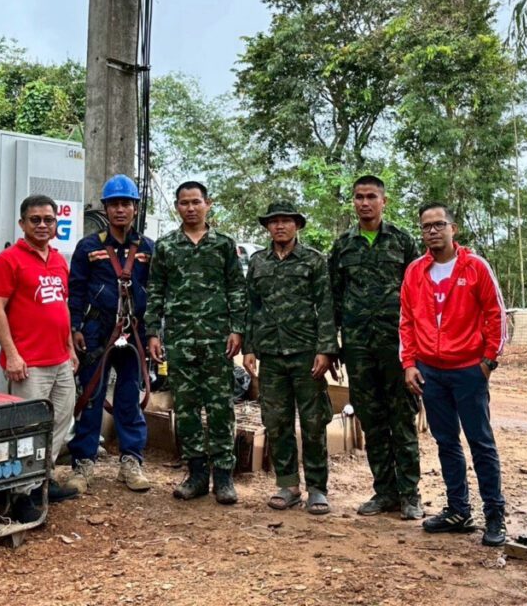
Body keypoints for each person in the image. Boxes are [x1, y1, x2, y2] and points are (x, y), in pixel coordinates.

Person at [400, 203, 508, 546]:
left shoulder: (475, 267)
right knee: (446, 442)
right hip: (431, 371)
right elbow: (406, 321)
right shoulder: (416, 271)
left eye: (438, 225)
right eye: (426, 227)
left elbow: (496, 316)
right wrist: (410, 364)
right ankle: (458, 510)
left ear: (453, 228)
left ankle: (495, 514)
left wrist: (488, 361)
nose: (432, 231)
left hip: (468, 370)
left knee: (481, 443)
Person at [144, 181, 247, 504]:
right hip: (180, 339)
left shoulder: (224, 245)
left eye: (196, 202)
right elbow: (156, 291)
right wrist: (152, 333)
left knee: (220, 407)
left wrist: (237, 329)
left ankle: (225, 477)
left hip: (218, 339)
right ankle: (197, 474)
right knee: (186, 408)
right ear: (177, 207)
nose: (190, 208)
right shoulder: (166, 246)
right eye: (184, 203)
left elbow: (236, 289)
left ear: (208, 204)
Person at [328, 175, 422, 519]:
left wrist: (418, 349)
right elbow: (333, 300)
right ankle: (385, 492)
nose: (364, 203)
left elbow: (419, 295)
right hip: (358, 349)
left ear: (384, 201)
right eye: (358, 197)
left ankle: (410, 494)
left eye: (371, 197)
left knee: (402, 419)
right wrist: (332, 345)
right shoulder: (342, 247)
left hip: (398, 348)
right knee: (372, 420)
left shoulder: (402, 242)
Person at [0, 194, 80, 523]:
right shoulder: (7, 261)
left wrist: (69, 348)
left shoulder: (58, 260)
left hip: (59, 361)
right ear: (22, 223)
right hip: (28, 365)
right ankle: (20, 494)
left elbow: (62, 307)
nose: (42, 225)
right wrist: (12, 354)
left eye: (48, 220)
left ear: (56, 224)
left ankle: (42, 479)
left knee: (59, 423)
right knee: (25, 431)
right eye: (35, 219)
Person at [242, 202, 337, 515]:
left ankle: (317, 488)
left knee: (312, 422)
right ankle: (288, 485)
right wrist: (250, 348)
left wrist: (325, 349)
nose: (279, 226)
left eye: (286, 221)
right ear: (267, 227)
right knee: (277, 422)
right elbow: (251, 307)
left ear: (297, 225)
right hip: (271, 355)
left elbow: (325, 307)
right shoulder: (257, 263)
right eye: (274, 222)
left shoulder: (313, 261)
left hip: (306, 354)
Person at [65, 175, 153, 494]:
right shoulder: (88, 247)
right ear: (105, 208)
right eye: (114, 204)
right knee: (91, 397)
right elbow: (75, 290)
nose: (120, 210)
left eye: (125, 204)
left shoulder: (146, 248)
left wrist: (154, 334)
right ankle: (83, 464)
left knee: (129, 397)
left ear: (134, 208)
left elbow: (156, 294)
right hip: (96, 331)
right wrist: (75, 327)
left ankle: (131, 461)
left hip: (133, 333)